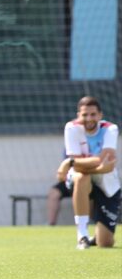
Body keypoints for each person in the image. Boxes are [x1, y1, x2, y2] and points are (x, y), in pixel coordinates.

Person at [55, 96, 120, 249]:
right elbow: (80, 168)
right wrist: (97, 166)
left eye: (93, 114)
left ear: (100, 115)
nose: (89, 118)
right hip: (82, 179)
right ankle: (82, 235)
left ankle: (97, 235)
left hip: (106, 183)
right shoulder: (71, 128)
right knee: (81, 178)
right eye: (85, 115)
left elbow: (107, 165)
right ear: (78, 115)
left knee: (106, 243)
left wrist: (68, 163)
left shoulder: (110, 129)